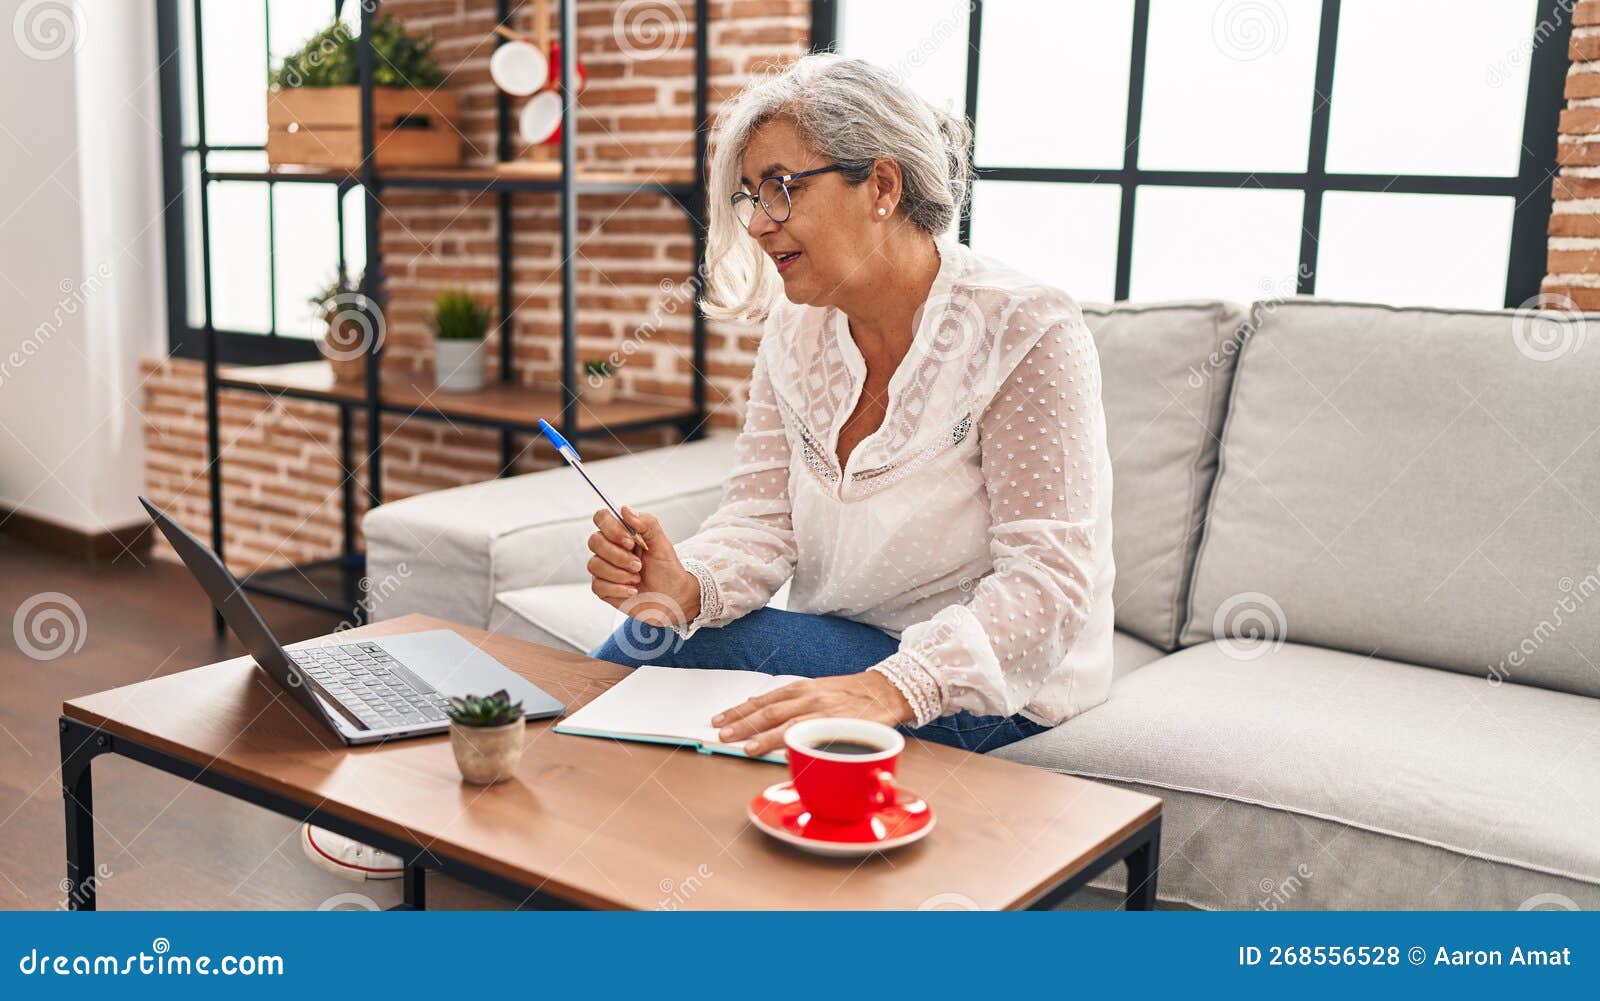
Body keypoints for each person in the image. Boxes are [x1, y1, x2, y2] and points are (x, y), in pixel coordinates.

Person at [586, 54, 1115, 759]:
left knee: (670, 658)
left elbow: (1047, 579)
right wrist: (686, 585)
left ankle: (532, 772)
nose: (758, 224)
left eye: (781, 188)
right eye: (750, 196)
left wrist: (887, 687)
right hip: (846, 646)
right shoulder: (795, 329)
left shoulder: (1024, 328)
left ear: (883, 186)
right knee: (659, 633)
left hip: (1000, 683)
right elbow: (760, 519)